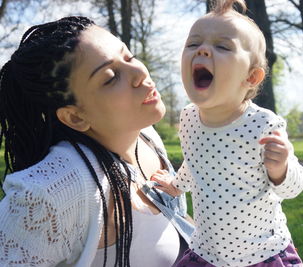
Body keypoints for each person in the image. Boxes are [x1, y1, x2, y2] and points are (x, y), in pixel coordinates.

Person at [0, 16, 194, 267]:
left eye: (129, 56)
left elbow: (176, 222)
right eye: (111, 77)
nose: (139, 73)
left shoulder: (145, 134)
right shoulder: (51, 192)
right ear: (75, 116)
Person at [150, 0, 303, 266]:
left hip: (262, 253)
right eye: (192, 44)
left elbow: (294, 188)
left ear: (251, 78)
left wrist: (280, 168)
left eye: (222, 46)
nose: (202, 51)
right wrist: (176, 186)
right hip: (207, 252)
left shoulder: (262, 125)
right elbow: (196, 161)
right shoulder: (189, 118)